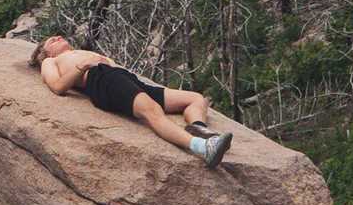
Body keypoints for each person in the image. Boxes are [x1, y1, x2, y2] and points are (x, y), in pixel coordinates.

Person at [29, 34, 233, 168]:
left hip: (122, 78)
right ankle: (202, 147)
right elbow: (57, 86)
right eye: (51, 41)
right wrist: (83, 66)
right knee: (151, 110)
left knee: (195, 98)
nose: (57, 37)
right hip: (101, 79)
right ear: (45, 53)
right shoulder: (51, 61)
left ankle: (198, 128)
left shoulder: (79, 51)